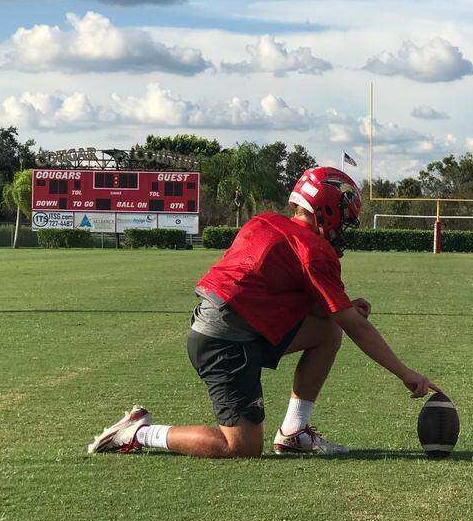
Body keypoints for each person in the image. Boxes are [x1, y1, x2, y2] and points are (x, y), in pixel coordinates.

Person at [88, 166, 440, 458]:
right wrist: (404, 373)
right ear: (328, 209)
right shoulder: (314, 248)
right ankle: (139, 432)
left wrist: (340, 307)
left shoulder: (265, 221)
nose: (343, 228)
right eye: (344, 219)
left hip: (234, 328)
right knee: (240, 446)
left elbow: (266, 287)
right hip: (224, 342)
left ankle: (293, 432)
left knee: (326, 330)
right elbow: (355, 327)